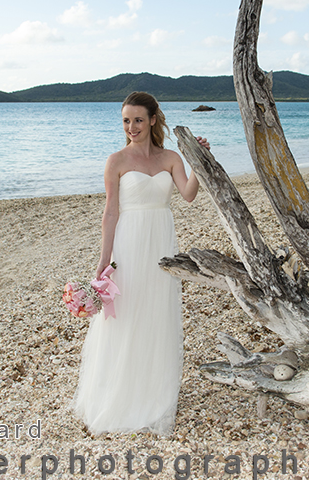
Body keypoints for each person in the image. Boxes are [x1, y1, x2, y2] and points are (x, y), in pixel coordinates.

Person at [73, 91, 210, 436]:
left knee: (156, 314)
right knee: (126, 315)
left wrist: (200, 160)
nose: (131, 127)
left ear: (152, 119)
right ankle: (117, 395)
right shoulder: (116, 160)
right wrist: (104, 263)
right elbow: (111, 212)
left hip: (161, 241)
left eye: (137, 119)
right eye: (125, 120)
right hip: (129, 244)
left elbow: (189, 194)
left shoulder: (171, 158)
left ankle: (152, 394)